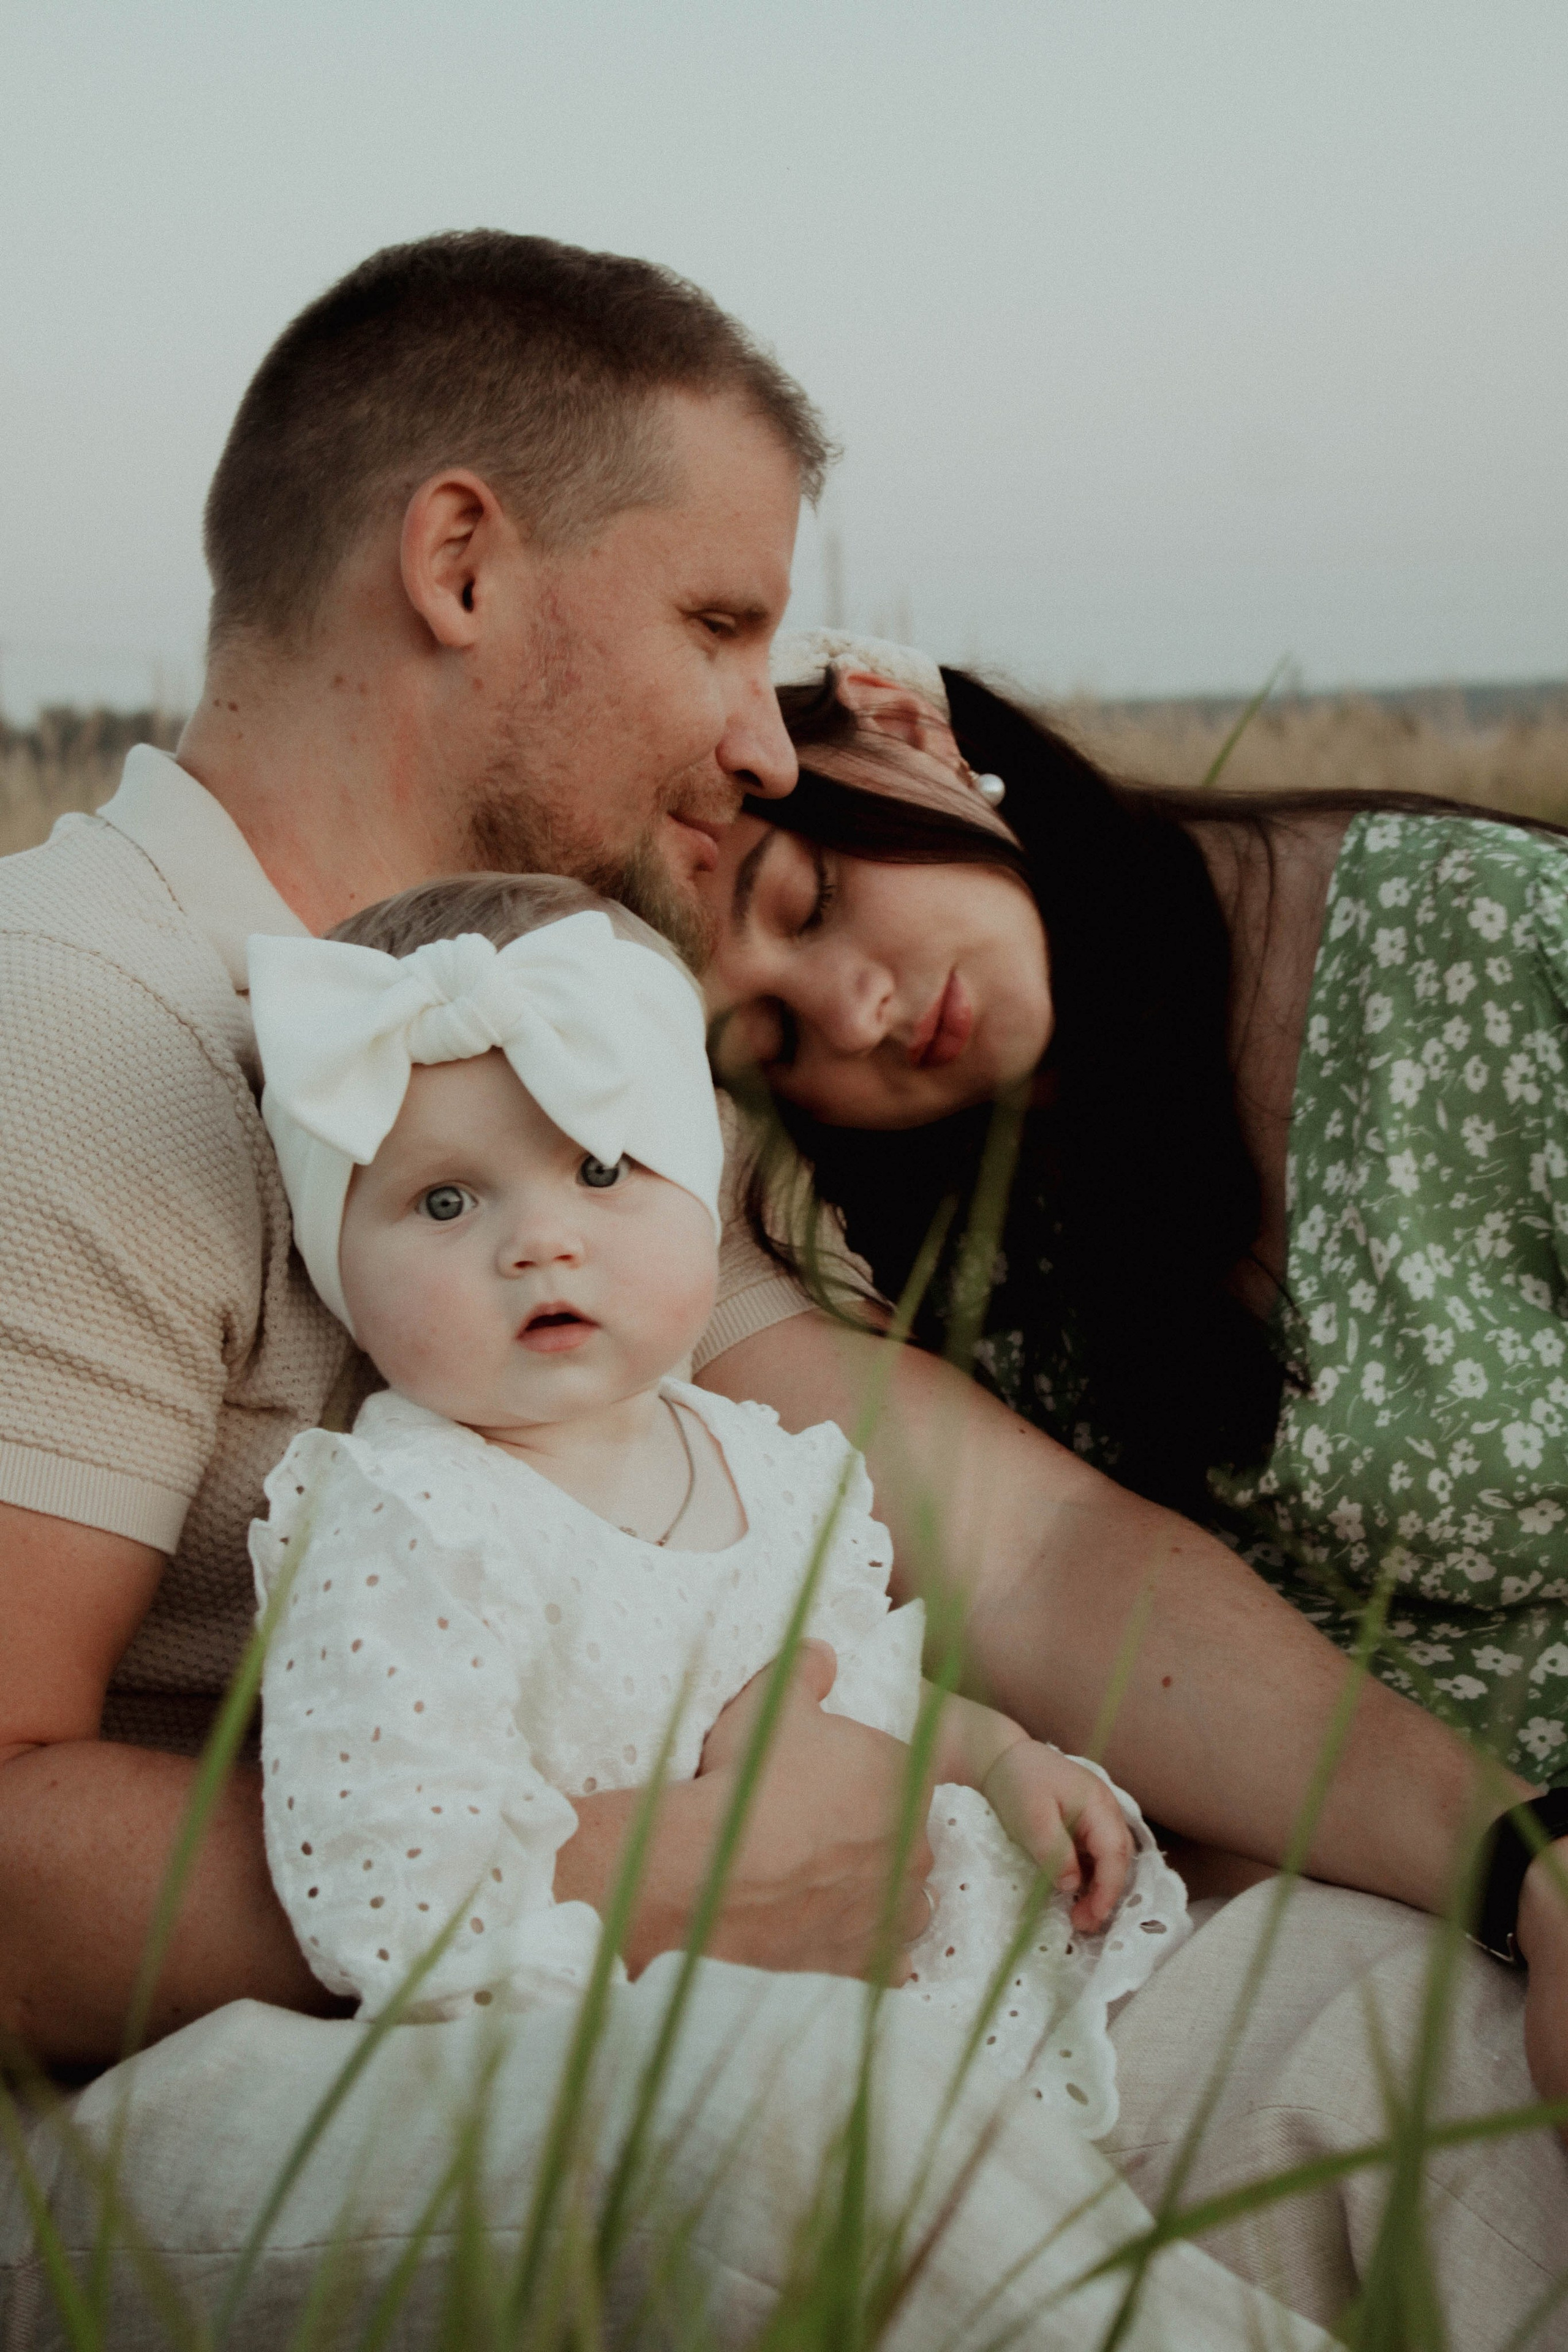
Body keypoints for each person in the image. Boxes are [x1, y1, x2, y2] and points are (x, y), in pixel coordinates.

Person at [0, 233, 1563, 2341]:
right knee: (776, 2133)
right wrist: (639, 1882)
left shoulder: (569, 1042)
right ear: (460, 563)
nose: (763, 739)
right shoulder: (75, 1029)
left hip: (799, 1954)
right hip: (203, 2093)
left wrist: (1513, 1863)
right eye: (722, 625)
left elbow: (1016, 1534)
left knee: (1404, 2032)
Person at [246, 876, 1185, 2143]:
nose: (538, 1243)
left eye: (596, 1168)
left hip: (899, 1990)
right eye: (445, 1201)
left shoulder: (767, 1462)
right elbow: (386, 1874)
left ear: (693, 1183)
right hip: (637, 2078)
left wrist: (1000, 1757)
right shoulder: (409, 1520)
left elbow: (863, 1692)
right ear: (336, 1261)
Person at [701, 629, 1568, 1777]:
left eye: (812, 903)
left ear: (906, 729)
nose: (853, 1017)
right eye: (777, 1043)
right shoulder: (915, 1238)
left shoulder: (1480, 941)